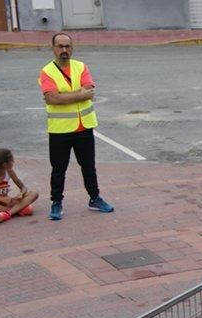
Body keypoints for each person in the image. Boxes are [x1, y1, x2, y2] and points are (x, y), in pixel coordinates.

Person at [39, 32, 114, 221]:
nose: (64, 50)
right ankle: (56, 202)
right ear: (53, 48)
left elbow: (88, 90)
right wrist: (79, 95)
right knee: (58, 169)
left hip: (84, 127)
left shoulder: (81, 66)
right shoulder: (47, 71)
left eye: (67, 46)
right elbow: (51, 98)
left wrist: (66, 96)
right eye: (60, 46)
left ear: (72, 48)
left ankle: (94, 198)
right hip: (60, 130)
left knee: (89, 166)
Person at [0, 148, 38, 223]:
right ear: (4, 164)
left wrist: (21, 194)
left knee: (34, 193)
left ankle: (8, 213)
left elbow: (23, 187)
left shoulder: (9, 171)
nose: (14, 162)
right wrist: (0, 199)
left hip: (8, 202)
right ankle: (19, 209)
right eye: (12, 160)